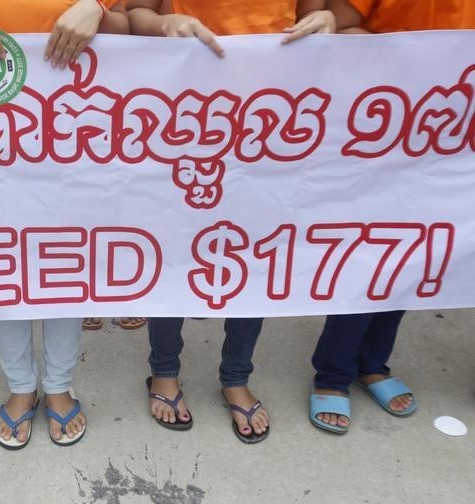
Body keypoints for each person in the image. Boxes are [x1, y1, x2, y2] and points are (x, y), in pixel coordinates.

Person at [0, 0, 129, 449]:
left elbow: (126, 31)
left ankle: (59, 384)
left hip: (74, 133)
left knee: (66, 260)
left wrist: (97, 10)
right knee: (1, 261)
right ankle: (20, 385)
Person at [126, 0, 334, 443]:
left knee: (254, 254)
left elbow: (325, 13)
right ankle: (164, 371)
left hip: (272, 122)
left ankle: (236, 375)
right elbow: (134, 15)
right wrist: (165, 22)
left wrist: (327, 22)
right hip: (180, 115)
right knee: (174, 249)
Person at [309, 0, 475, 434]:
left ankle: (373, 363)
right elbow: (340, 25)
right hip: (385, 125)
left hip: (455, 136)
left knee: (417, 249)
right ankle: (333, 373)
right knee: (371, 249)